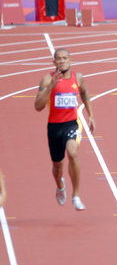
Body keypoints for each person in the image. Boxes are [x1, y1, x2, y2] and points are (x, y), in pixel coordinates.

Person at [34, 49, 95, 211]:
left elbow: (84, 93)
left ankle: (76, 195)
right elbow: (38, 106)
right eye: (59, 59)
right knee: (57, 167)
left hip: (72, 123)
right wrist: (51, 87)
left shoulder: (78, 78)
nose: (62, 61)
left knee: (72, 152)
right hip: (54, 127)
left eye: (65, 58)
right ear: (54, 62)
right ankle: (60, 186)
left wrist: (91, 115)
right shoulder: (47, 79)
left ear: (70, 60)